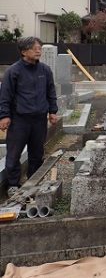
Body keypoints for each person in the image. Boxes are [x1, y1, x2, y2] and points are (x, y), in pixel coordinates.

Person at [0, 37, 58, 197]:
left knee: (37, 153)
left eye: (39, 48)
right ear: (24, 52)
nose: (39, 51)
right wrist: (4, 116)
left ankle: (33, 181)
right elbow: (5, 96)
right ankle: (13, 184)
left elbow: (51, 92)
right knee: (14, 153)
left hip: (39, 119)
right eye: (35, 48)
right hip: (19, 119)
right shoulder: (13, 71)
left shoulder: (45, 70)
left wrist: (53, 111)